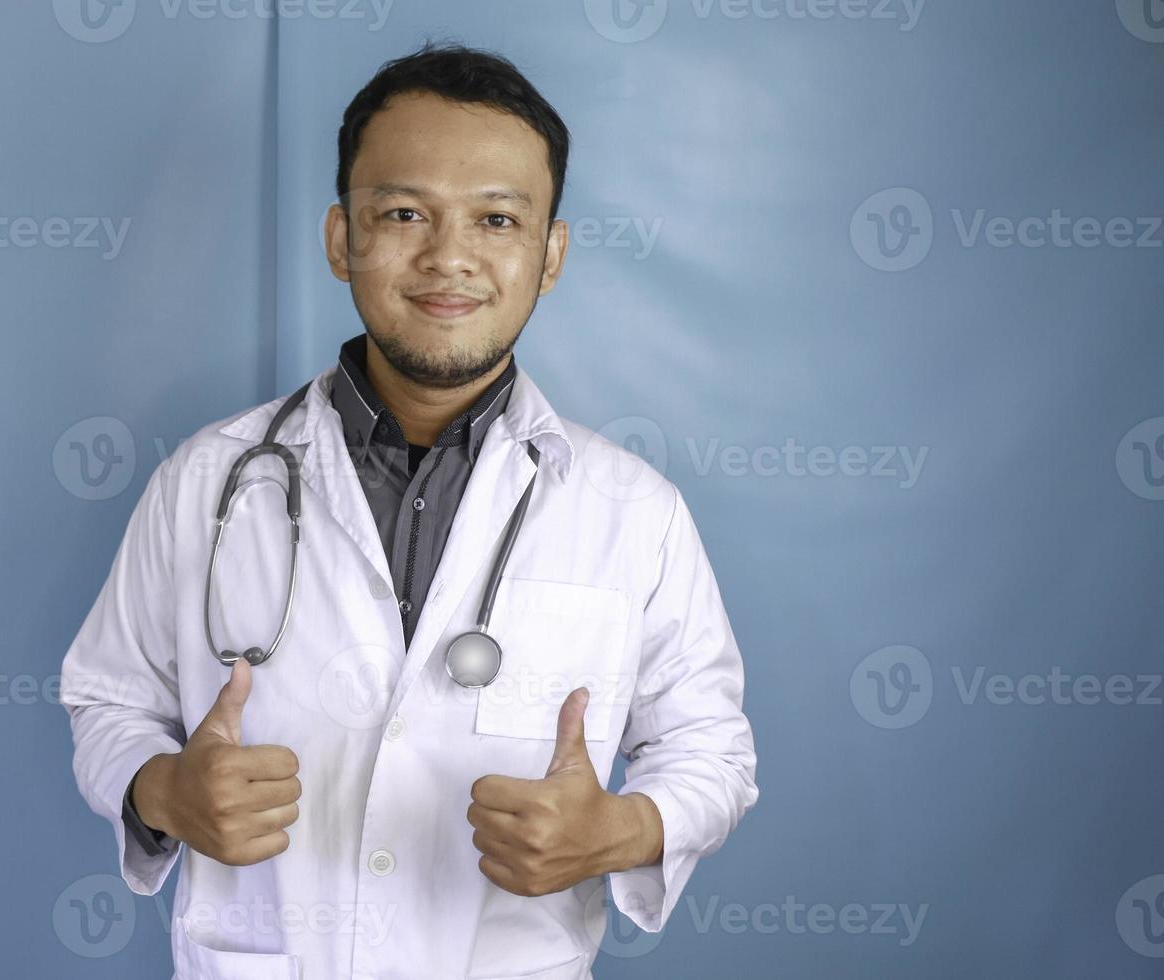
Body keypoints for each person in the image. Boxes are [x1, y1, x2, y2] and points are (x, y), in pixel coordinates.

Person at [60, 40, 758, 979]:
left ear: (549, 254)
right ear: (342, 236)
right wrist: (161, 792)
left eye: (498, 219)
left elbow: (711, 749)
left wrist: (625, 828)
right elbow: (109, 698)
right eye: (402, 212)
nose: (449, 257)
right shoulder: (205, 483)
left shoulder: (635, 513)